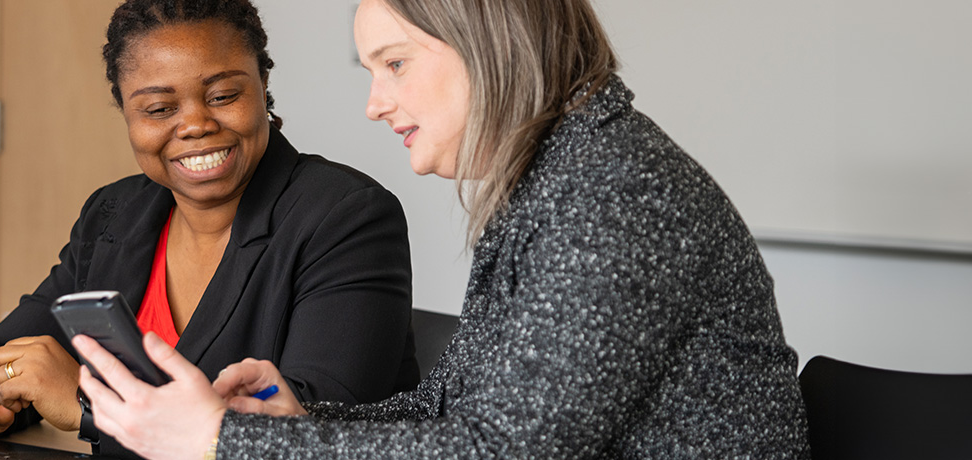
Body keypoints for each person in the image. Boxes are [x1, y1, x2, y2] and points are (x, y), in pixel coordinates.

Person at [70, 0, 812, 458]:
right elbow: (454, 410)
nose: (375, 102)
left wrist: (221, 442)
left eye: (394, 63)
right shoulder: (555, 178)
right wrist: (296, 418)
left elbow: (503, 450)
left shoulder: (615, 194)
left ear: (485, 40)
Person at [0, 1, 421, 458]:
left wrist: (87, 404)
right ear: (128, 115)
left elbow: (316, 434)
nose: (196, 124)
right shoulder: (116, 211)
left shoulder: (346, 216)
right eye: (159, 109)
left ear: (263, 88)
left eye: (223, 95)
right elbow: (13, 339)